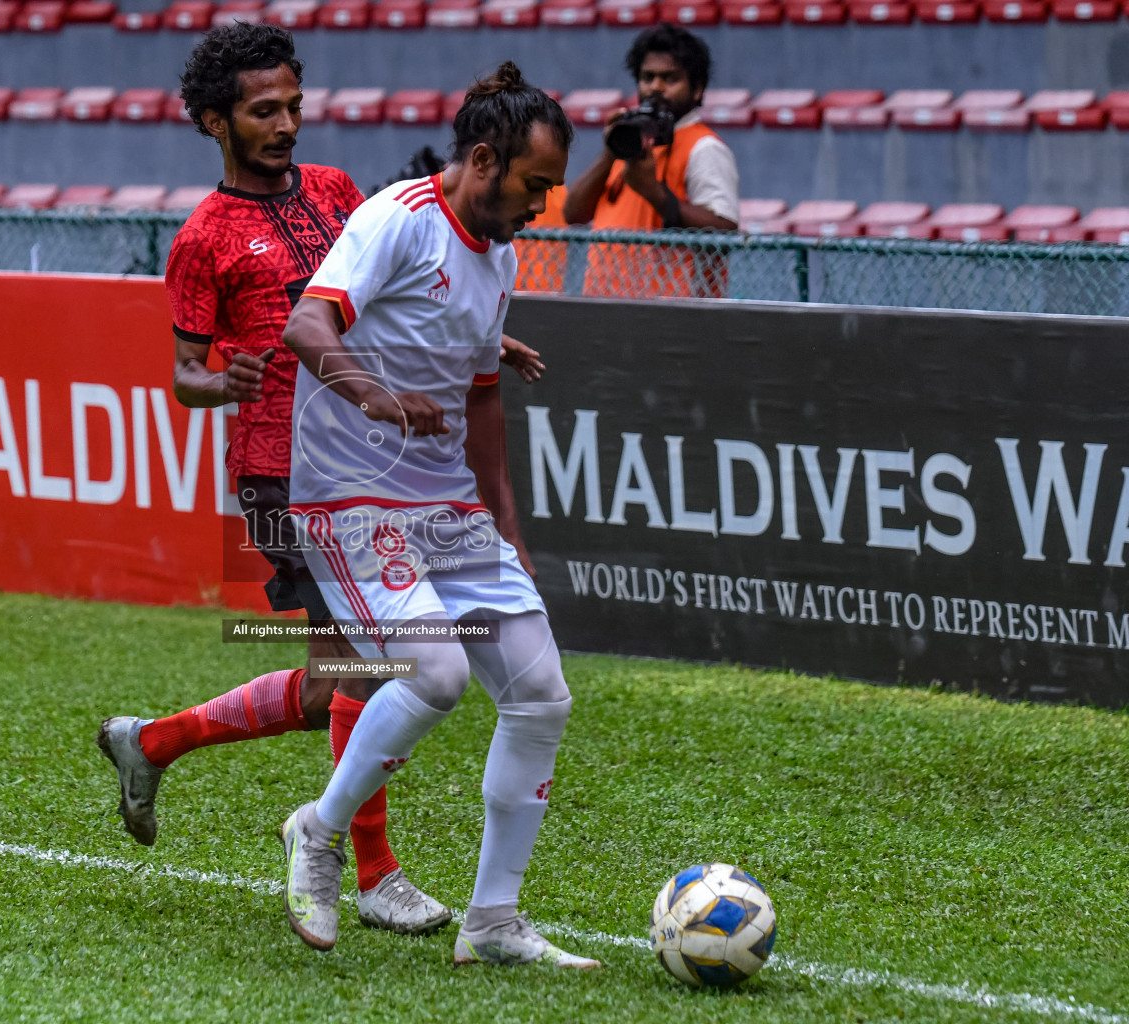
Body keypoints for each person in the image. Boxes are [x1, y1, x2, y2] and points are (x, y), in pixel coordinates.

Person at [94, 23, 540, 937]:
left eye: (294, 105)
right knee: (375, 668)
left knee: (330, 681)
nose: (287, 124)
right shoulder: (202, 238)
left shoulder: (340, 192)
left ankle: (153, 742)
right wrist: (224, 381)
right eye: (264, 111)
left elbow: (401, 294)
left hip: (378, 471)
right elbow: (183, 376)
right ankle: (368, 868)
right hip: (280, 472)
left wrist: (478, 340)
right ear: (216, 122)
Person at [277, 62, 600, 969]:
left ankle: (493, 923)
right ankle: (319, 830)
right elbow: (307, 328)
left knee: (540, 695)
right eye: (535, 185)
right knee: (437, 674)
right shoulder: (398, 218)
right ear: (486, 159)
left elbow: (484, 402)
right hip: (350, 497)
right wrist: (376, 397)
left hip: (446, 506)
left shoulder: (498, 252)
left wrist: (510, 531)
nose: (543, 204)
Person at [525, 24, 739, 297]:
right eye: (647, 77)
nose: (656, 88)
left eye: (670, 79)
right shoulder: (630, 140)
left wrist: (654, 193)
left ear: (697, 89)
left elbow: (724, 232)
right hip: (605, 304)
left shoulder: (704, 146)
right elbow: (573, 213)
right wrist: (609, 152)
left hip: (674, 314)